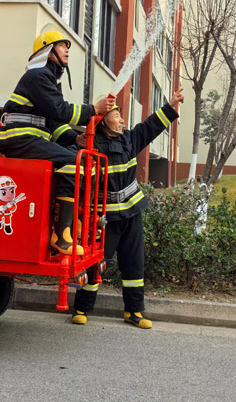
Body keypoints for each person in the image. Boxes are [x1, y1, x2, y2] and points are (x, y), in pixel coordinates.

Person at [72, 87, 184, 328]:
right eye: (116, 116)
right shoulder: (91, 144)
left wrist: (171, 105)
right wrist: (76, 140)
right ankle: (81, 308)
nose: (122, 120)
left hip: (132, 213)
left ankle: (134, 311)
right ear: (102, 121)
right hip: (105, 217)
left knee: (134, 264)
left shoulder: (129, 139)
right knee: (95, 263)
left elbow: (151, 127)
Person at [0, 28, 115, 254]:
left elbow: (52, 122)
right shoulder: (37, 76)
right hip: (19, 139)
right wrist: (93, 109)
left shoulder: (46, 79)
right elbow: (60, 110)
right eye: (62, 46)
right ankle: (61, 236)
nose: (67, 51)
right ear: (47, 51)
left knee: (84, 161)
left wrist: (75, 138)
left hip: (30, 139)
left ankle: (72, 223)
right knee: (73, 163)